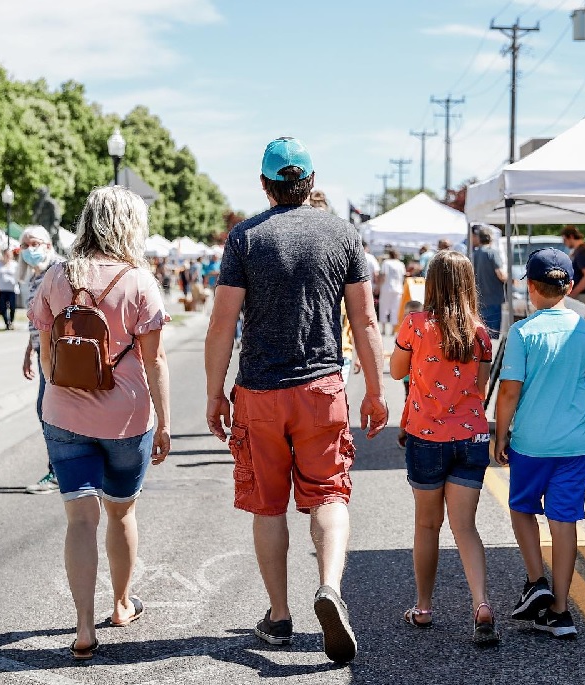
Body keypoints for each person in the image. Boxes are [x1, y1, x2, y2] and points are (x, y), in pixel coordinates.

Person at [204, 136, 388, 664]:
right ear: (309, 182)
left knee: (268, 505)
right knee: (329, 495)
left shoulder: (244, 239)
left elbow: (222, 324)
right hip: (321, 389)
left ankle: (279, 616)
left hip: (260, 391)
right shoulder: (342, 234)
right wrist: (375, 390)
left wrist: (215, 392)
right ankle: (330, 587)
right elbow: (365, 320)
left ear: (265, 185)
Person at [28, 186, 171, 660]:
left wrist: (67, 390)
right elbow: (155, 361)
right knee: (121, 511)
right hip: (127, 417)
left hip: (64, 414)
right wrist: (166, 421)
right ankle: (122, 604)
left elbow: (46, 357)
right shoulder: (139, 283)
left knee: (79, 521)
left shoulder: (56, 276)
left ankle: (84, 629)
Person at [389, 252, 499, 644]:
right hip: (471, 437)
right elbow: (481, 389)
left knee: (427, 524)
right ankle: (482, 604)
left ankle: (423, 608)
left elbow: (397, 370)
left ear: (431, 285)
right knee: (465, 526)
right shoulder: (480, 333)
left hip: (427, 438)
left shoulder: (415, 325)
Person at [494, 248, 585, 639]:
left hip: (530, 442)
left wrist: (501, 434)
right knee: (564, 521)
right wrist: (584, 426)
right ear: (570, 286)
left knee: (522, 507)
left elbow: (509, 392)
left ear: (530, 287)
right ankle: (560, 610)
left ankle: (536, 580)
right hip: (573, 444)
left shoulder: (524, 332)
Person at [18, 226, 64, 495]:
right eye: (25, 245)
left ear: (48, 245)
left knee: (48, 409)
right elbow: (38, 319)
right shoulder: (35, 277)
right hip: (41, 351)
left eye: (34, 243)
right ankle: (61, 468)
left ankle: (59, 470)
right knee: (47, 410)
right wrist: (29, 350)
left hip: (58, 352)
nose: (29, 249)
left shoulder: (55, 271)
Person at [395, 299, 423, 449]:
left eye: (415, 314)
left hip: (420, 376)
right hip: (408, 377)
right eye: (408, 314)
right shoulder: (403, 331)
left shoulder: (424, 331)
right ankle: (405, 434)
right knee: (410, 404)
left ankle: (411, 433)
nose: (411, 317)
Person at [472, 227, 507, 339]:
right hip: (493, 298)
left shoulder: (474, 254)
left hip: (479, 298)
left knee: (482, 333)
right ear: (490, 238)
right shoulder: (492, 253)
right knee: (493, 334)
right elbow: (501, 275)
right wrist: (510, 279)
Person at [560, 226, 585, 306]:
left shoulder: (582, 252)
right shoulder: (578, 251)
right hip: (580, 295)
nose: (564, 243)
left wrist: (574, 293)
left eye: (565, 240)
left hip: (583, 295)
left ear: (571, 236)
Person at [377, 248, 406, 335]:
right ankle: (393, 329)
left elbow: (383, 276)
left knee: (384, 308)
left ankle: (383, 329)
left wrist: (378, 286)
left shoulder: (386, 263)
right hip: (398, 289)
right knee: (395, 309)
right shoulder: (401, 264)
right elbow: (404, 277)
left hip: (386, 288)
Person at [0, 248, 20, 330]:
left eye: (9, 254)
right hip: (2, 289)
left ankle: (11, 321)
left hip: (12, 289)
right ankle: (7, 323)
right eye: (6, 254)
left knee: (12, 307)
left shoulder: (15, 265)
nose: (8, 256)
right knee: (2, 307)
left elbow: (19, 276)